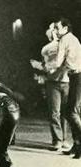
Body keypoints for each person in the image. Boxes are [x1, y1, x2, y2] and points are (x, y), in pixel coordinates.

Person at [30, 23, 70, 150]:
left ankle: (63, 139)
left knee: (63, 113)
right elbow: (46, 66)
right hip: (53, 83)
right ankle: (58, 140)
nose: (54, 32)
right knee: (55, 113)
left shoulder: (66, 44)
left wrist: (41, 67)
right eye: (53, 30)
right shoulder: (46, 49)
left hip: (66, 82)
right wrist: (40, 67)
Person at [53, 18, 81, 158]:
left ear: (65, 28)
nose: (56, 31)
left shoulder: (64, 40)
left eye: (57, 28)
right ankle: (77, 147)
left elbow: (58, 62)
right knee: (72, 111)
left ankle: (79, 145)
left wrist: (43, 67)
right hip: (76, 76)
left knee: (71, 112)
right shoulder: (73, 39)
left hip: (78, 76)